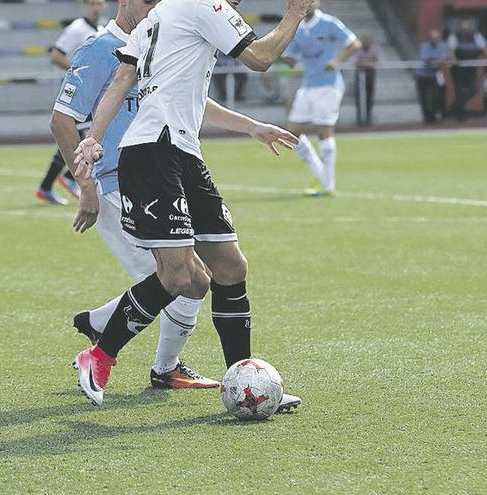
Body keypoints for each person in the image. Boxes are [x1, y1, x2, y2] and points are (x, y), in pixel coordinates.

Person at [70, 0, 311, 409]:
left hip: (180, 151)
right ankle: (98, 355)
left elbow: (133, 81)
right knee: (180, 276)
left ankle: (243, 381)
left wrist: (94, 136)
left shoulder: (161, 15)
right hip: (153, 153)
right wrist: (295, 14)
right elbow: (260, 58)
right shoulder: (206, 6)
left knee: (230, 267)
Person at [49, 0, 218, 389]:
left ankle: (107, 330)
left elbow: (195, 101)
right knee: (179, 280)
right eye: (147, 0)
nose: (154, 7)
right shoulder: (98, 49)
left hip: (158, 176)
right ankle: (161, 367)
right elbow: (62, 120)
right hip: (115, 183)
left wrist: (253, 127)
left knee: (187, 280)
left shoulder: (158, 41)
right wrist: (85, 185)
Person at [282, 0, 361, 197]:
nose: (309, 4)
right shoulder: (298, 29)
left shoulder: (329, 22)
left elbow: (354, 43)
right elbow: (291, 60)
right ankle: (323, 177)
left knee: (324, 131)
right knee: (293, 133)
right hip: (308, 85)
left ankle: (328, 183)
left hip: (328, 85)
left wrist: (336, 60)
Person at [36, 0, 107, 206]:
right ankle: (67, 178)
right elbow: (56, 55)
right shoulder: (76, 28)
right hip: (78, 91)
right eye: (92, 3)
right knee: (85, 135)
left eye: (100, 3)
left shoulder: (101, 30)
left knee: (81, 135)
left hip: (94, 92)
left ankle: (49, 185)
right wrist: (78, 70)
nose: (96, 8)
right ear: (84, 6)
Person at [448, 19, 487, 122]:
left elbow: (485, 48)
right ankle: (460, 116)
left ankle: (457, 105)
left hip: (470, 67)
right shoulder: (454, 36)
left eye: (467, 24)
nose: (466, 27)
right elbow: (452, 52)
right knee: (459, 91)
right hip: (458, 68)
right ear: (459, 26)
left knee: (474, 89)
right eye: (464, 24)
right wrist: (454, 60)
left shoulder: (476, 35)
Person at [415, 29, 449, 124]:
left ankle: (434, 115)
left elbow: (445, 58)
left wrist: (438, 61)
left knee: (435, 95)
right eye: (433, 38)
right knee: (423, 97)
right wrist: (438, 60)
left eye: (436, 38)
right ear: (429, 39)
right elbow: (427, 60)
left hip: (433, 75)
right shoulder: (424, 46)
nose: (434, 40)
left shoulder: (443, 45)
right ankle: (427, 117)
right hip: (421, 74)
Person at [353, 34, 379, 127]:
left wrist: (365, 63)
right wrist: (367, 63)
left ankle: (368, 117)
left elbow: (375, 61)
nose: (365, 44)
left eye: (367, 42)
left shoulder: (373, 50)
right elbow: (356, 62)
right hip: (360, 75)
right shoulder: (358, 49)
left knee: (369, 96)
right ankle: (360, 118)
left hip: (370, 75)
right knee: (359, 96)